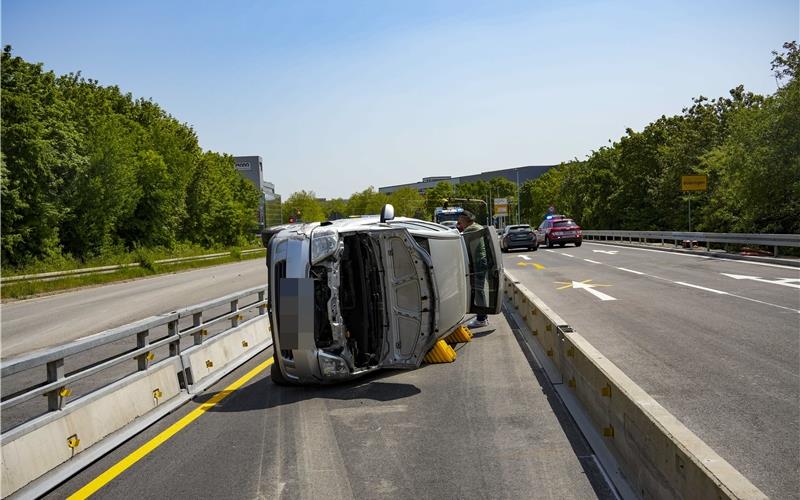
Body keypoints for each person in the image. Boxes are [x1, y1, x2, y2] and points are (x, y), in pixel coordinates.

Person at [457, 210, 489, 328]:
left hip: (477, 262)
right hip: (482, 261)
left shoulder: (469, 230)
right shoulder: (478, 226)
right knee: (479, 290)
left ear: (465, 220)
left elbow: (461, 245)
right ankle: (483, 317)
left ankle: (481, 319)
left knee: (478, 290)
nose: (459, 224)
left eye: (460, 221)